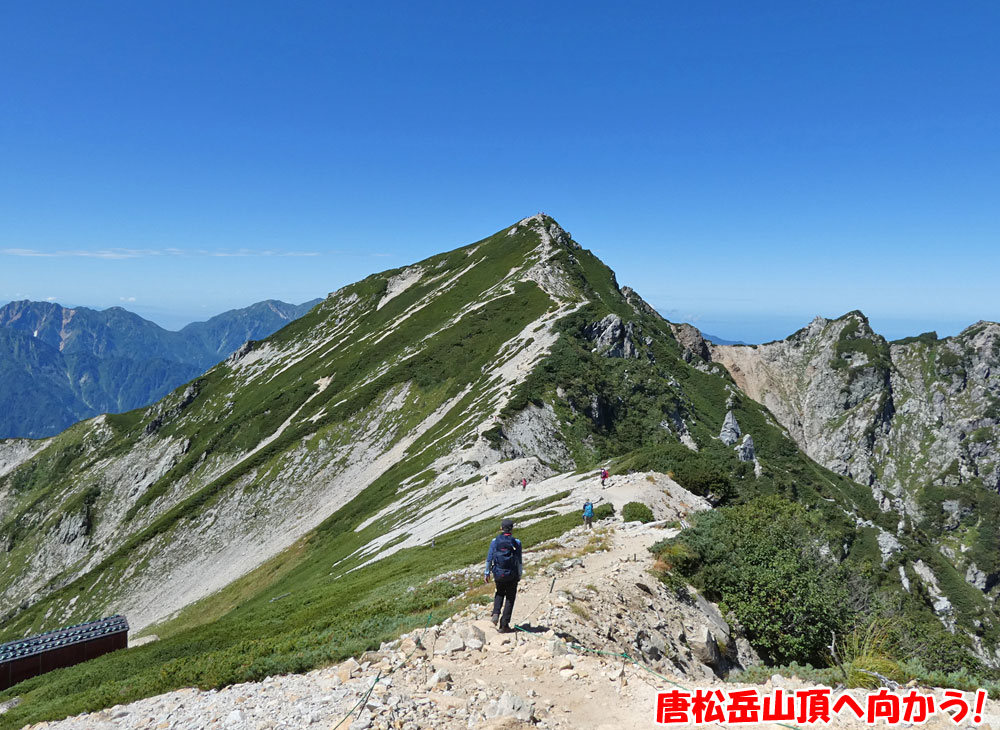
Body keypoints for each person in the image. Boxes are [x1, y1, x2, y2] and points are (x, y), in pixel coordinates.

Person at [483, 518, 522, 632]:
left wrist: (487, 572)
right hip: (512, 574)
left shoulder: (495, 541)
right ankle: (504, 625)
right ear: (512, 529)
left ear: (501, 528)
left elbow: (489, 558)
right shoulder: (516, 542)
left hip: (498, 573)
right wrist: (519, 574)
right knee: (510, 597)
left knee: (499, 592)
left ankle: (495, 613)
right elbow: (519, 561)